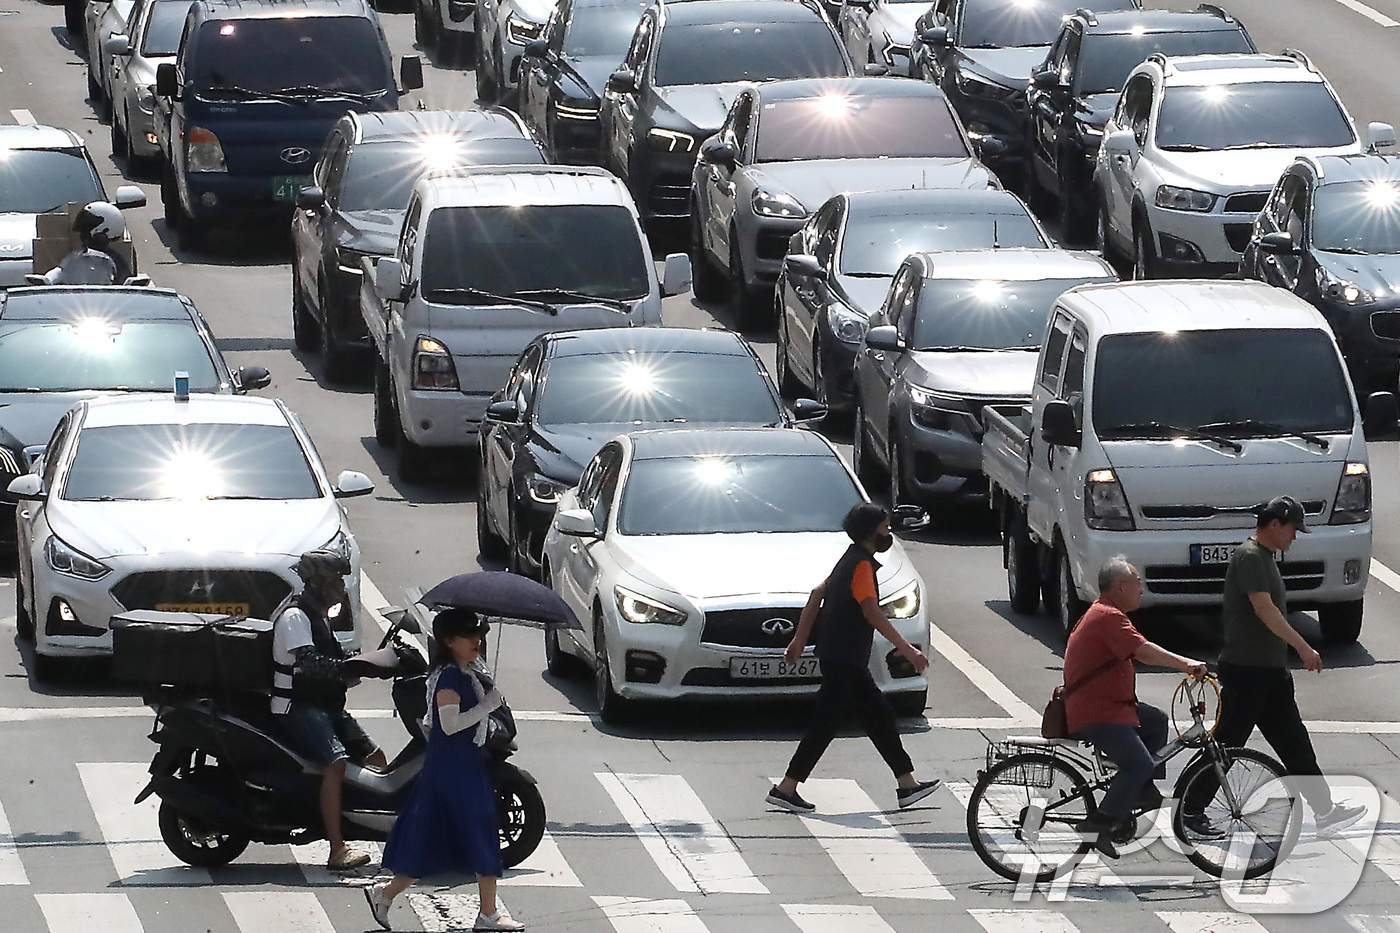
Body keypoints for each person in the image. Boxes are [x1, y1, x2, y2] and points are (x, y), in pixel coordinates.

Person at [1182, 496, 1366, 838]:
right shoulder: (1250, 557)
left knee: (1294, 741)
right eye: (1292, 529)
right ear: (1275, 524)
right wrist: (1303, 646)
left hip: (1269, 671)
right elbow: (1265, 611)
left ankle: (1324, 810)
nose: (1294, 537)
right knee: (1227, 744)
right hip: (1247, 670)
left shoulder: (1264, 557)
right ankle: (1189, 809)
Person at [766, 502, 940, 813]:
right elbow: (872, 611)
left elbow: (816, 594)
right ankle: (786, 787)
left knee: (879, 717)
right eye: (885, 529)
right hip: (844, 656)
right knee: (825, 723)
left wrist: (800, 640)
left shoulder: (850, 559)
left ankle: (907, 784)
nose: (888, 534)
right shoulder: (861, 565)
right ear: (872, 532)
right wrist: (908, 650)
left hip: (844, 656)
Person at [365, 609, 524, 933]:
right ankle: (488, 915)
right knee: (477, 831)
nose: (477, 640)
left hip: (461, 762)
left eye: (479, 634)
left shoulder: (465, 670)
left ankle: (386, 893)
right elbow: (449, 725)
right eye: (469, 635)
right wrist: (486, 706)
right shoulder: (450, 676)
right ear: (449, 641)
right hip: (454, 764)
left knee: (437, 838)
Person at [1065, 556, 1207, 858]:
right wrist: (1186, 664)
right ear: (1120, 586)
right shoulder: (1108, 617)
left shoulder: (1106, 613)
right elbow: (1144, 651)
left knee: (1155, 721)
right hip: (1099, 713)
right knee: (1139, 763)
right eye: (1137, 582)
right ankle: (1099, 825)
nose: (1141, 588)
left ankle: (1139, 789)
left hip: (1110, 706)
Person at [272, 549, 387, 872]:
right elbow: (309, 663)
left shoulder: (321, 616)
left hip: (326, 705)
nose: (340, 586)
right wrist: (353, 667)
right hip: (298, 706)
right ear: (316, 582)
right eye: (335, 579)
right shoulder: (295, 617)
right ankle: (337, 848)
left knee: (376, 760)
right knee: (335, 765)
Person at [34, 201, 134, 285]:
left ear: (105, 229)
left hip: (107, 304)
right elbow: (60, 271)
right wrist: (48, 280)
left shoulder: (117, 261)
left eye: (87, 228)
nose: (82, 234)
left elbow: (127, 283)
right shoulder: (75, 257)